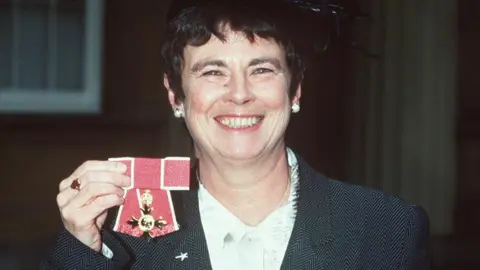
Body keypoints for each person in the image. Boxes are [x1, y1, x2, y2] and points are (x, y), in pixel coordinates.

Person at [40, 1, 430, 269]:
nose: (240, 94)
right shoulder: (119, 237)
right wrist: (81, 248)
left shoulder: (387, 229)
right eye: (213, 72)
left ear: (295, 90)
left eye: (262, 70)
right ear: (176, 95)